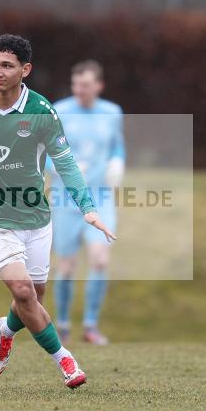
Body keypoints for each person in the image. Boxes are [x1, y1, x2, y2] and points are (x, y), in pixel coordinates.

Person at [0, 34, 116, 389]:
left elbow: (65, 163)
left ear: (25, 69)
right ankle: (65, 361)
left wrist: (88, 209)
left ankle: (5, 331)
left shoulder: (41, 112)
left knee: (34, 295)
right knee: (22, 291)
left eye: (6, 65)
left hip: (35, 217)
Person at [47, 60, 124, 345]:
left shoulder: (112, 112)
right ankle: (63, 326)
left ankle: (90, 326)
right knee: (66, 265)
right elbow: (44, 154)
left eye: (86, 85)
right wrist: (61, 167)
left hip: (100, 196)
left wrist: (118, 162)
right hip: (66, 198)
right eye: (76, 84)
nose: (80, 89)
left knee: (100, 259)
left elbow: (117, 145)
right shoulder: (59, 111)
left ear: (99, 86)